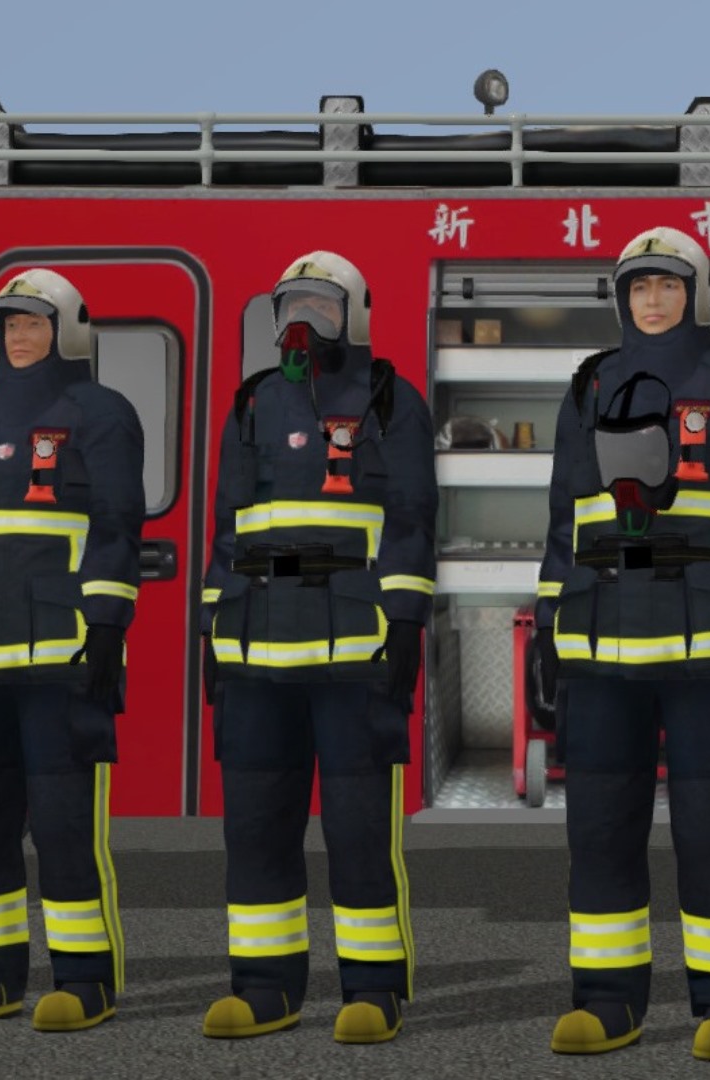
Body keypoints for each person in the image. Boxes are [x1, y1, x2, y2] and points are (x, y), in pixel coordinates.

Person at [533, 227, 710, 1062]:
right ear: (620, 296)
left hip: (707, 645)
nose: (652, 299)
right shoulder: (589, 385)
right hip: (603, 647)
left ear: (696, 291)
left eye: (669, 285)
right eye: (639, 285)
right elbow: (564, 519)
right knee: (601, 830)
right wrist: (549, 629)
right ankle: (608, 1000)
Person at [198, 252, 434, 1044]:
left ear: (355, 314)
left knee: (360, 830)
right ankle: (265, 987)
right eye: (291, 304)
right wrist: (211, 630)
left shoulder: (392, 401)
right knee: (257, 827)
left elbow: (410, 522)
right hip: (258, 651)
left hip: (354, 651)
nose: (303, 318)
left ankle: (373, 991)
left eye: (321, 305)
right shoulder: (254, 404)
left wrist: (404, 623)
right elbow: (227, 526)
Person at [0, 268, 144, 1033]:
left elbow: (116, 525)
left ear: (69, 328)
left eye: (34, 322)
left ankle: (84, 982)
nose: (18, 335)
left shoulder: (103, 413)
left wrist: (108, 628)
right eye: (8, 322)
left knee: (63, 824)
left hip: (61, 656)